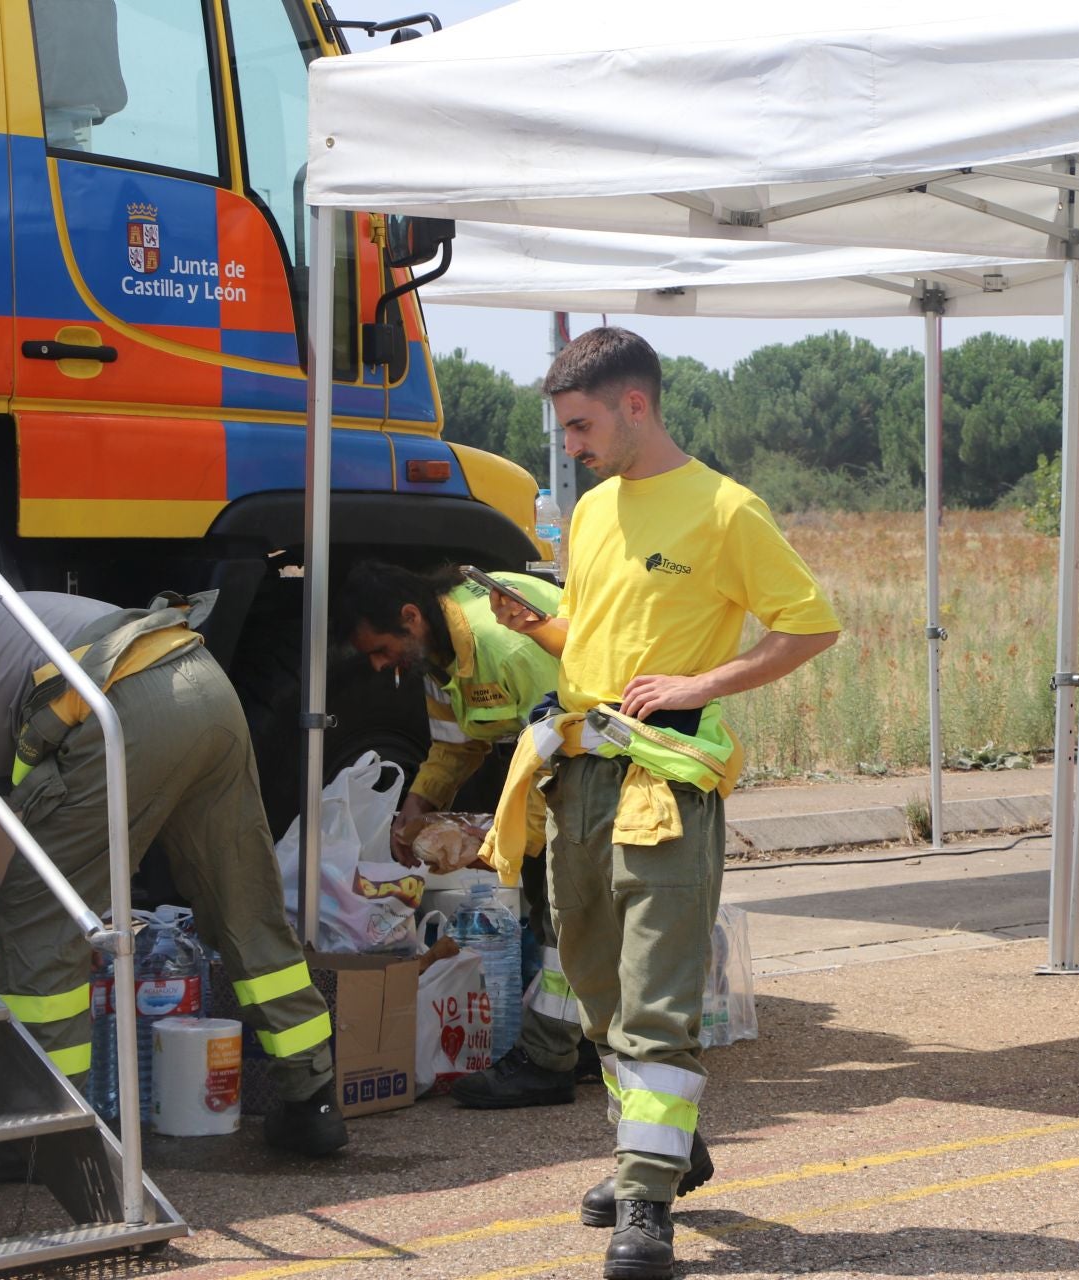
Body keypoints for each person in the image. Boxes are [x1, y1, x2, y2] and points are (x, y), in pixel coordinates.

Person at [495, 327, 840, 1280]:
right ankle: (663, 1148)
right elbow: (597, 636)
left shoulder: (727, 510)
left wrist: (701, 685)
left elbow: (810, 625)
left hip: (664, 781)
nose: (570, 446)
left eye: (580, 426)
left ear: (635, 406)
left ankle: (644, 1206)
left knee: (653, 991)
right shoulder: (595, 511)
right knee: (594, 976)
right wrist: (546, 625)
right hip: (580, 774)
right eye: (564, 430)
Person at [0, 590, 345, 1178]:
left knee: (39, 917)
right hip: (198, 677)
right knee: (241, 898)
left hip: (125, 706)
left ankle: (41, 1130)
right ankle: (314, 1097)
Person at [335, 560, 590, 1108]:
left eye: (381, 648)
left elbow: (564, 755)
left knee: (563, 920)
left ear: (411, 617)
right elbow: (455, 742)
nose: (381, 665)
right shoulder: (439, 657)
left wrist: (499, 843)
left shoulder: (509, 646)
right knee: (562, 922)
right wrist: (416, 806)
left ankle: (550, 1062)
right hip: (556, 762)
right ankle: (575, 1045)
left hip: (591, 764)